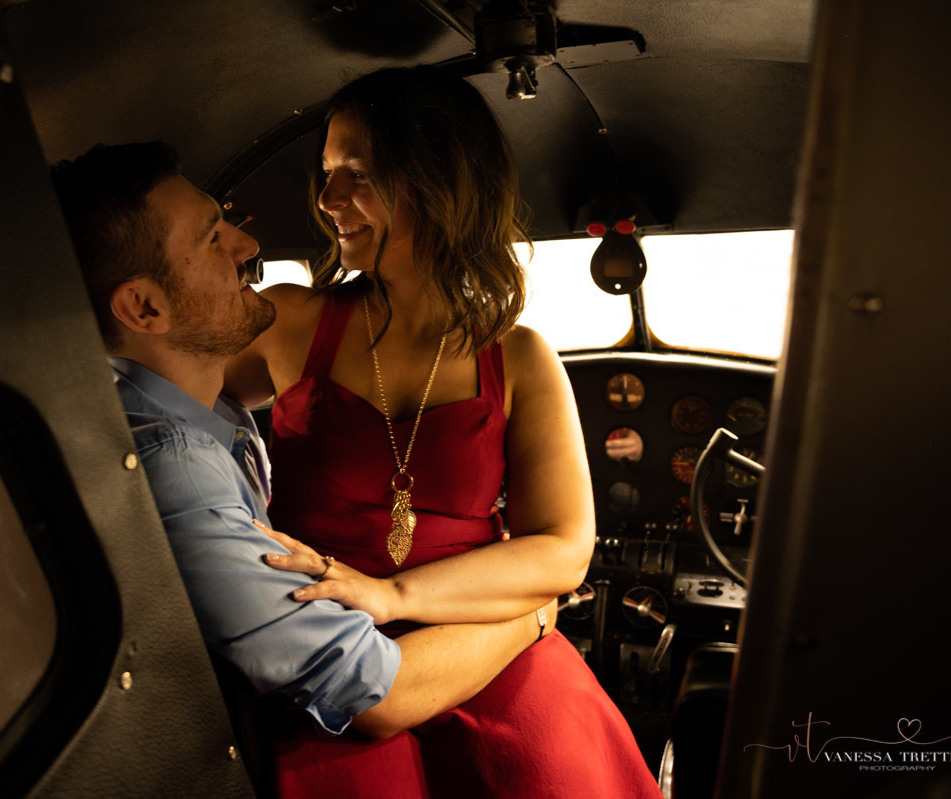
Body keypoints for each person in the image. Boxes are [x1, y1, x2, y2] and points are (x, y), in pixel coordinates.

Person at [49, 143, 559, 793]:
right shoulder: (174, 469)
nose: (245, 247)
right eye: (212, 239)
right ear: (145, 308)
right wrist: (534, 614)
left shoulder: (204, 411)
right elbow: (380, 690)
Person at [225, 67, 662, 797]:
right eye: (328, 174)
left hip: (483, 652)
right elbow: (156, 396)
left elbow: (562, 550)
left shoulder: (518, 355)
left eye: (357, 174)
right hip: (322, 648)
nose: (329, 200)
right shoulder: (290, 320)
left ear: (436, 180)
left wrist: (393, 594)